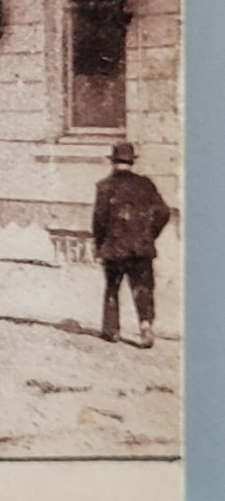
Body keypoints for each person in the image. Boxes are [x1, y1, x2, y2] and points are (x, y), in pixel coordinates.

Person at [92, 140, 171, 348]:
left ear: (113, 162)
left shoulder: (104, 186)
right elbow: (164, 212)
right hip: (141, 247)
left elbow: (99, 220)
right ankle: (145, 325)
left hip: (114, 247)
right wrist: (149, 234)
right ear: (131, 162)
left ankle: (111, 331)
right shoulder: (146, 184)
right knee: (143, 288)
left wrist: (100, 246)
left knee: (112, 288)